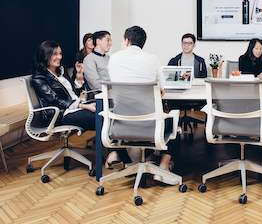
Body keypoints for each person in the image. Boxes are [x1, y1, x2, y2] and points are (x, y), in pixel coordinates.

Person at [108, 26, 173, 176]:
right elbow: (162, 90)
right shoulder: (153, 59)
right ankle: (163, 166)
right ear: (143, 43)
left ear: (126, 40)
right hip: (149, 126)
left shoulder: (114, 58)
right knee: (173, 122)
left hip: (120, 125)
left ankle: (119, 155)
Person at [31, 40, 96, 131]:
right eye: (55, 54)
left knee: (105, 111)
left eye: (60, 53)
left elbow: (74, 93)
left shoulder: (61, 70)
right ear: (45, 55)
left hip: (76, 107)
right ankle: (103, 144)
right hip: (62, 114)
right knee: (100, 119)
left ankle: (109, 142)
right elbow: (56, 100)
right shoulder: (39, 78)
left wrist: (79, 76)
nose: (60, 57)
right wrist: (84, 106)